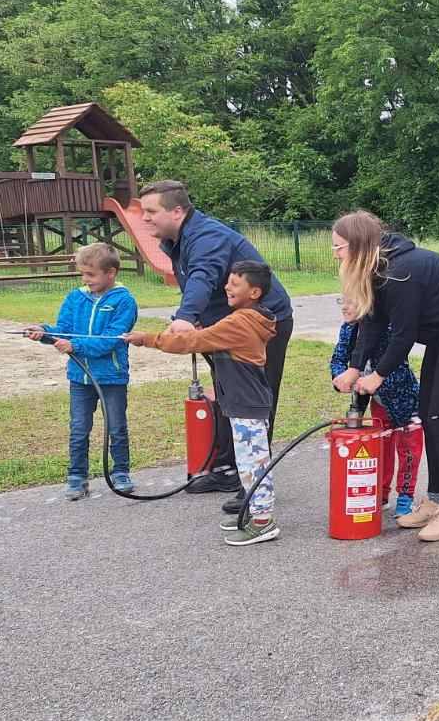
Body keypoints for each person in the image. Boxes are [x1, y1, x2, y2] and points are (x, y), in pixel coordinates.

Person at [330, 211, 439, 543]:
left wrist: (377, 376)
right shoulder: (379, 269)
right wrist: (354, 366)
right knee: (429, 417)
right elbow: (372, 322)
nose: (335, 254)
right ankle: (434, 500)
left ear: (360, 246)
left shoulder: (400, 273)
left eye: (339, 247)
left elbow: (402, 336)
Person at [137, 180, 294, 515]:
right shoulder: (176, 240)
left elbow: (203, 276)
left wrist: (186, 316)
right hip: (223, 327)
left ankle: (253, 484)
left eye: (151, 211)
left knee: (252, 403)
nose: (144, 219)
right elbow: (204, 285)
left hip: (262, 326)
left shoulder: (206, 236)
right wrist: (197, 319)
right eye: (142, 212)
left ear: (177, 211)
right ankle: (226, 469)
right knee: (226, 395)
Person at [125, 261, 281, 546]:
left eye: (235, 284)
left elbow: (194, 341)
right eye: (228, 282)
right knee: (247, 462)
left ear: (255, 292)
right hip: (244, 403)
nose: (227, 288)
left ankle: (263, 522)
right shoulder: (245, 319)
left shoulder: (240, 322)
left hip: (247, 406)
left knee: (253, 465)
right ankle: (254, 512)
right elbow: (211, 338)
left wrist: (147, 339)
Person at [24, 242, 138, 500]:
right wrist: (43, 333)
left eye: (91, 274)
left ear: (111, 273)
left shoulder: (124, 302)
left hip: (111, 378)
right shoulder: (75, 298)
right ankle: (77, 477)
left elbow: (112, 339)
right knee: (78, 428)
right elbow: (63, 329)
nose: (86, 280)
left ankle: (121, 473)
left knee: (116, 427)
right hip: (79, 377)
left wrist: (75, 345)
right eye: (83, 274)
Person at [331, 298, 423, 518]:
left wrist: (374, 379)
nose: (344, 306)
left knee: (409, 450)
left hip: (403, 399)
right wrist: (339, 377)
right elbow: (339, 358)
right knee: (380, 448)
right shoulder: (348, 330)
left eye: (350, 302)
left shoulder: (386, 328)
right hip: (376, 402)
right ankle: (380, 494)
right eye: (341, 300)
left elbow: (395, 364)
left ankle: (405, 496)